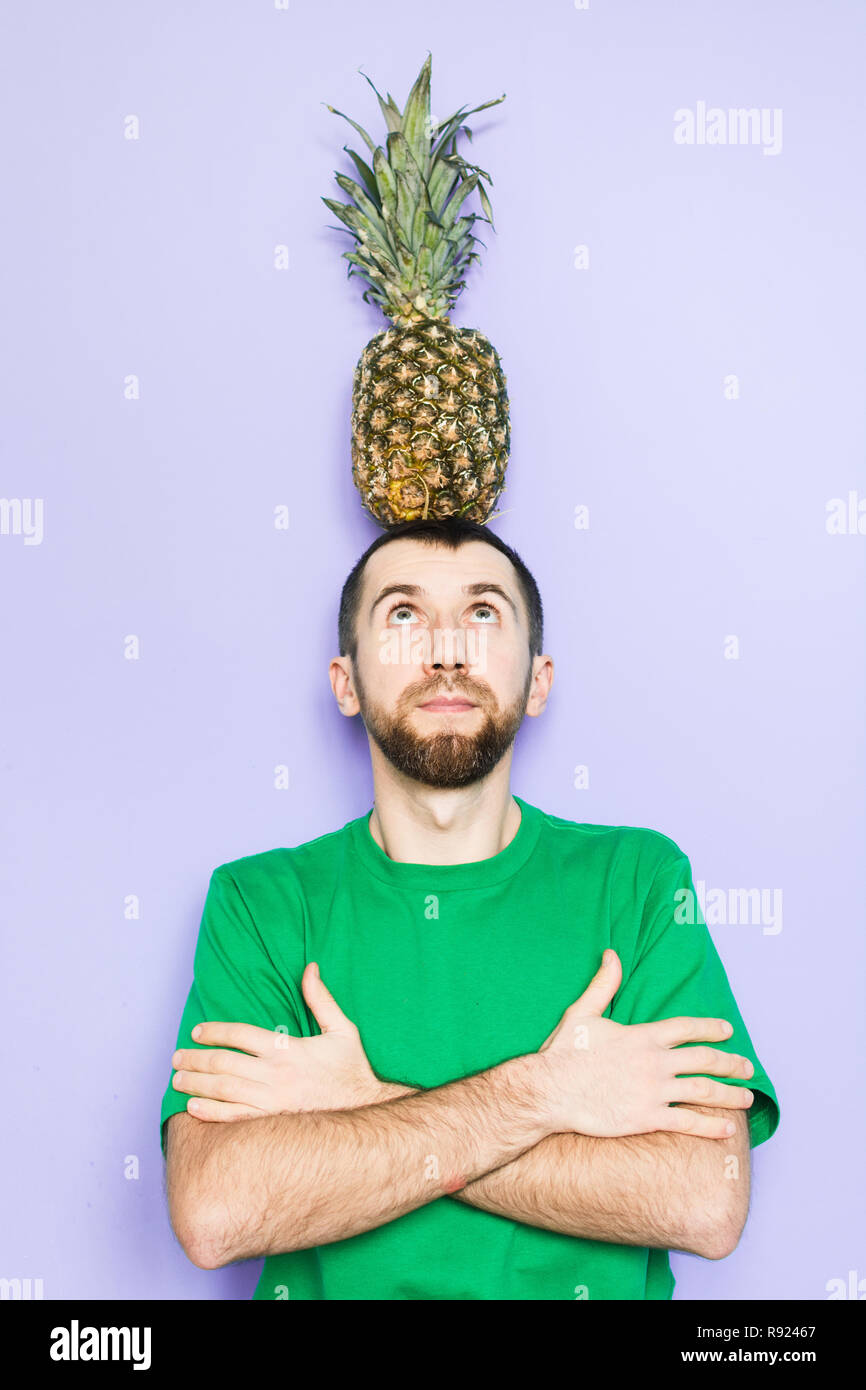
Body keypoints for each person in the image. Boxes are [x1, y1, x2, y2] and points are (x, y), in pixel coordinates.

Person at [159, 517, 779, 1300]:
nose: (446, 651)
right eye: (404, 616)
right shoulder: (261, 902)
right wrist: (548, 1095)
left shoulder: (639, 880)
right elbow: (217, 1211)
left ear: (539, 678)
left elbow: (704, 1201)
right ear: (345, 682)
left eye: (483, 613)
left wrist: (357, 1104)